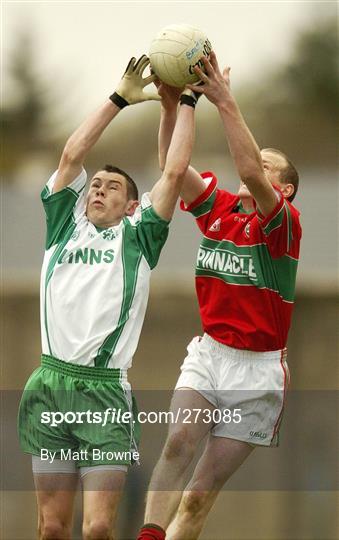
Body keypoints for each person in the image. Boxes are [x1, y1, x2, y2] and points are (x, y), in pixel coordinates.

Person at [18, 55, 198, 540]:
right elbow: (71, 155)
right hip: (50, 385)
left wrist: (186, 99)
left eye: (112, 186)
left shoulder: (138, 237)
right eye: (95, 185)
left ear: (132, 204)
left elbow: (176, 171)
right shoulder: (62, 227)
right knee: (52, 529)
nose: (98, 189)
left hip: (104, 392)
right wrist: (118, 98)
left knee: (98, 528)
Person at [137, 51, 301, 540]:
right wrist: (172, 106)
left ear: (286, 190)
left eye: (270, 165)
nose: (254, 164)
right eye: (259, 157)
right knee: (176, 445)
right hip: (210, 354)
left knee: (198, 496)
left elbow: (250, 170)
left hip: (258, 371)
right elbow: (171, 165)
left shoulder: (284, 227)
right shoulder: (220, 209)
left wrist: (225, 102)